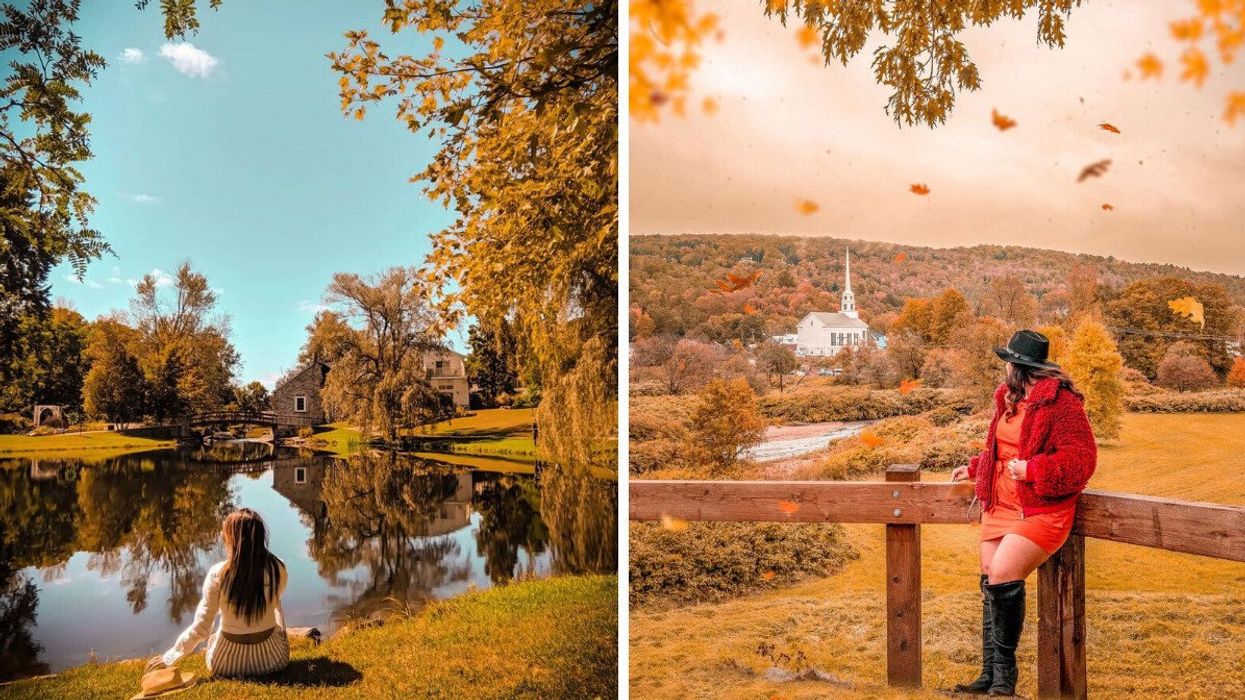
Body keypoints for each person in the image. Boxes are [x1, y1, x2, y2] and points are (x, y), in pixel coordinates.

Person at [949, 330, 1097, 696]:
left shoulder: (1061, 404)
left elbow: (1081, 461)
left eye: (1009, 364)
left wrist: (1032, 471)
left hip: (1040, 509)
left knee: (1002, 575)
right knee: (990, 581)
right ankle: (990, 678)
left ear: (1018, 367)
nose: (1006, 371)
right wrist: (975, 468)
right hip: (999, 503)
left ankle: (1005, 681)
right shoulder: (1009, 398)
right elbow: (1000, 449)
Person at [148, 508, 290, 679]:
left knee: (214, 636)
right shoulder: (278, 568)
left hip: (226, 664)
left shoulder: (218, 574)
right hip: (272, 661)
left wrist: (170, 656)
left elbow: (202, 628)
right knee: (274, 603)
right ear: (260, 537)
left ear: (233, 539)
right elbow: (275, 604)